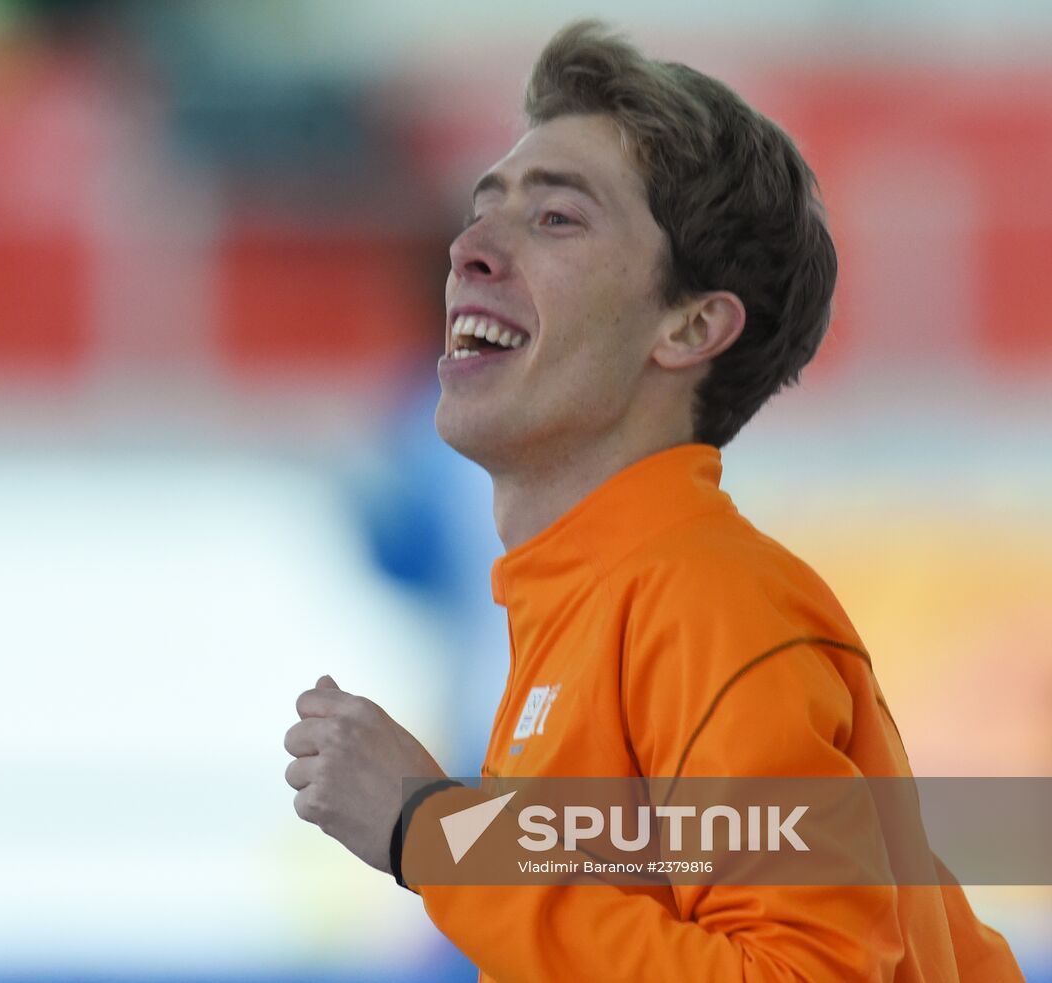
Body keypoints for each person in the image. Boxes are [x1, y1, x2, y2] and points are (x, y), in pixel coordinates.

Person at [282, 19, 1024, 982]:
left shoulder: (705, 603)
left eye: (555, 218)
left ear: (691, 324)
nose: (469, 247)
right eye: (483, 207)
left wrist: (430, 830)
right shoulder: (598, 603)